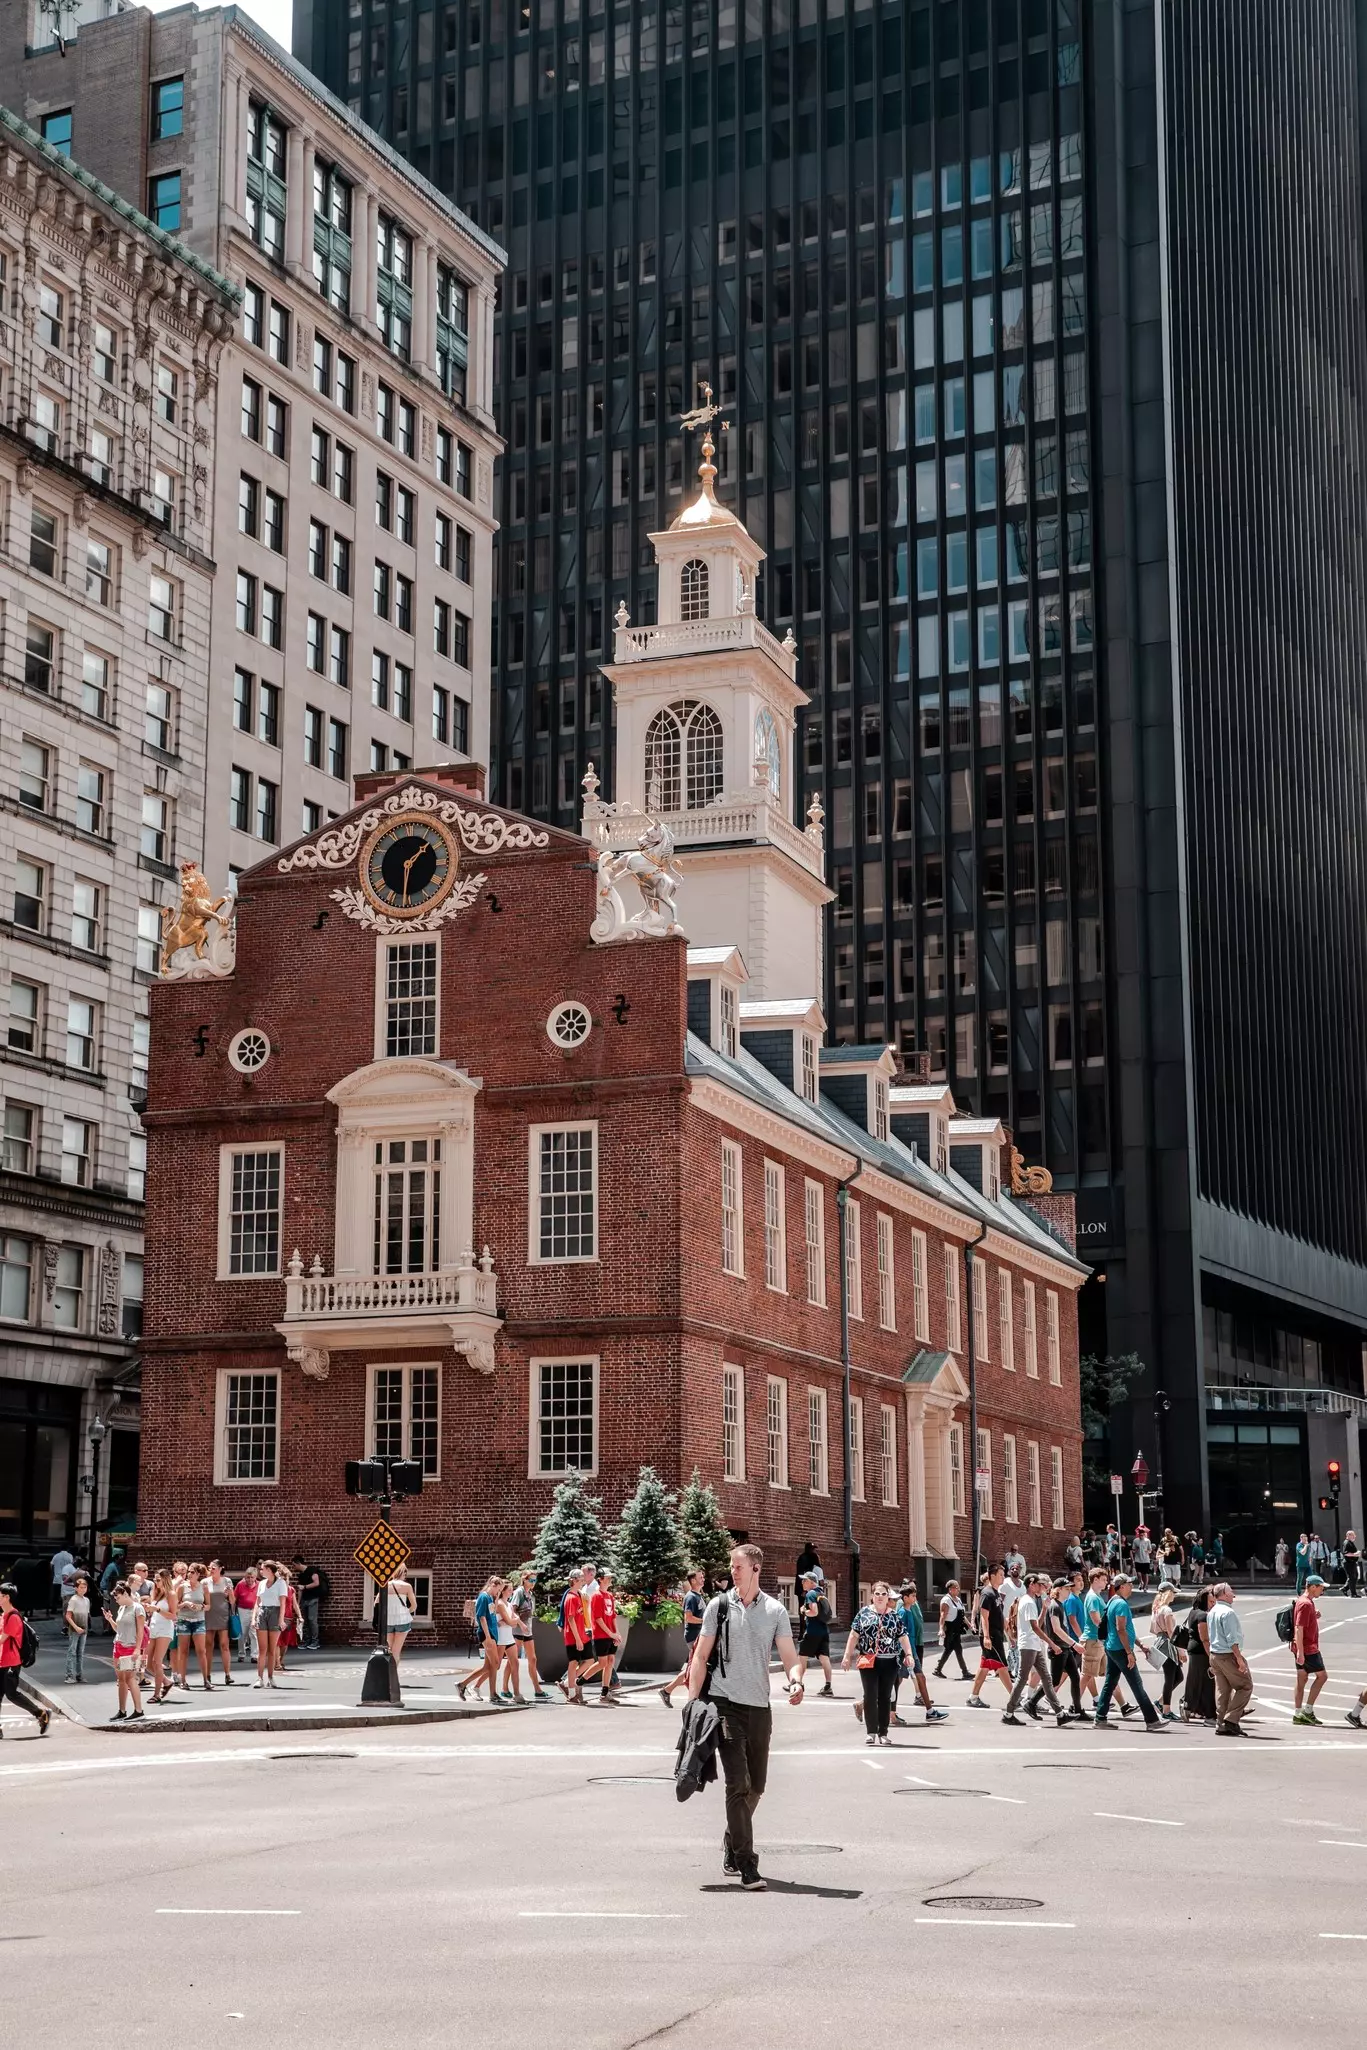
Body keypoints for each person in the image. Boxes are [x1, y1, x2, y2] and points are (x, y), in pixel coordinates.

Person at [687, 1542, 803, 1891]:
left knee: (758, 1786)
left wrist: (795, 1680)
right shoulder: (718, 1606)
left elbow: (789, 1657)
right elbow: (700, 1656)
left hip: (759, 1707)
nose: (732, 1572)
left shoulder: (775, 1611)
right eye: (731, 1567)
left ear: (755, 1569)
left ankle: (731, 1838)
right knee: (737, 1783)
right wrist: (693, 1701)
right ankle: (747, 1864)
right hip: (724, 1704)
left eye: (738, 1566)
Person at [843, 1581, 913, 1744]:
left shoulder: (894, 1615)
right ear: (872, 1596)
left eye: (884, 1594)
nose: (880, 1597)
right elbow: (854, 1635)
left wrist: (908, 1654)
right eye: (877, 1594)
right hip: (868, 1660)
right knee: (870, 1695)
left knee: (885, 1696)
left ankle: (883, 1733)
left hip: (889, 1662)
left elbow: (903, 1637)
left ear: (888, 1597)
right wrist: (847, 1656)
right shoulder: (864, 1613)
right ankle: (871, 1732)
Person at [1094, 1573, 1163, 1730]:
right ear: (1122, 1586)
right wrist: (1129, 1652)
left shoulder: (1112, 1601)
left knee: (1110, 1683)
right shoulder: (1122, 1605)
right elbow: (1121, 1629)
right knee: (1136, 1684)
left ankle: (1100, 1718)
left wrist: (1139, 1645)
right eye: (1130, 1584)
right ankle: (1152, 1720)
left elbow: (1125, 1630)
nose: (1132, 1587)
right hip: (1120, 1649)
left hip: (1112, 1647)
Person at [1003, 1574, 1069, 1727]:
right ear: (1031, 1584)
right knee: (1022, 1679)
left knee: (1046, 1677)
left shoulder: (1030, 1601)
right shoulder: (1027, 1602)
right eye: (1039, 1585)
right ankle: (1008, 1713)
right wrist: (1052, 1644)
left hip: (1033, 1644)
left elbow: (1037, 1624)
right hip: (1028, 1645)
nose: (1042, 1588)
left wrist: (1044, 1609)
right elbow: (1035, 1627)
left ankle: (1059, 1714)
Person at [1027, 1576, 1084, 1719]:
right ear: (1058, 1590)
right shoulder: (1054, 1606)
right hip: (1058, 1649)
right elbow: (1057, 1629)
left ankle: (1077, 1710)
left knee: (1075, 1677)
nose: (1069, 1590)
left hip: (1065, 1648)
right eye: (1066, 1588)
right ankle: (1031, 1703)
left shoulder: (1061, 1604)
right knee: (1054, 1681)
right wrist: (1074, 1644)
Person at [893, 1580, 947, 1724]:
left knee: (918, 1678)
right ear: (905, 1598)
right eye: (913, 1596)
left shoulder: (909, 1610)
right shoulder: (903, 1612)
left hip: (911, 1650)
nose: (915, 1599)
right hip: (906, 1652)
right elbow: (901, 1635)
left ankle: (930, 1711)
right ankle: (872, 1705)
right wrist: (907, 1653)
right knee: (895, 1682)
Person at [0, 1585, 48, 1738]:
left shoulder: (13, 1617)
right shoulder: (4, 1615)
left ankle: (41, 1713)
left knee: (12, 1694)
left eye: (0, 1595)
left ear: (7, 1597)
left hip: (11, 1662)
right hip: (2, 1661)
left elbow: (2, 1639)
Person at [1206, 1582, 1253, 1735]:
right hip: (1227, 1655)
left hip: (1215, 1655)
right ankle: (1231, 1720)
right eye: (1231, 1592)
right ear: (1225, 1595)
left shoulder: (1212, 1611)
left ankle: (1221, 1724)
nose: (1234, 1595)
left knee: (1222, 1690)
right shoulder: (1228, 1612)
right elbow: (1232, 1639)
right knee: (1245, 1686)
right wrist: (1239, 1659)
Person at [966, 1565, 1012, 1707]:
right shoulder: (987, 1593)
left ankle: (973, 1697)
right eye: (1000, 1574)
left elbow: (999, 1615)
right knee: (1002, 1666)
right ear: (992, 1576)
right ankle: (1015, 1698)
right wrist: (986, 1636)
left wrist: (1008, 1633)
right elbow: (984, 1617)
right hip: (991, 1636)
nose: (1003, 1577)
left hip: (997, 1634)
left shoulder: (996, 1593)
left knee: (985, 1666)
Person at [662, 1568, 708, 1706]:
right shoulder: (691, 1597)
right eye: (700, 1577)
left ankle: (667, 1690)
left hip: (699, 1636)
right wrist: (706, 1621)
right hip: (693, 1636)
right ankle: (695, 1696)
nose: (703, 1579)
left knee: (694, 1666)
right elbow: (688, 1618)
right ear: (693, 1580)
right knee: (696, 1666)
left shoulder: (698, 1596)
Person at [459, 1574, 505, 1702]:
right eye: (498, 1589)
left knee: (489, 1666)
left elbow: (493, 1611)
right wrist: (488, 1636)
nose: (499, 1592)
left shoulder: (490, 1597)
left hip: (492, 1633)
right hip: (487, 1634)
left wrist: (496, 1598)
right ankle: (493, 1693)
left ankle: (462, 1684)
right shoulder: (483, 1597)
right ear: (492, 1585)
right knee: (495, 1664)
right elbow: (481, 1617)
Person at [1292, 1574, 1328, 1725]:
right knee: (1322, 1677)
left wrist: (1314, 1615)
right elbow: (1299, 1628)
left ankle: (1298, 1714)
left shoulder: (1304, 1602)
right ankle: (1308, 1711)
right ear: (1313, 1587)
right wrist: (1301, 1652)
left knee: (1302, 1679)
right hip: (1308, 1648)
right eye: (1321, 1588)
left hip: (1300, 1647)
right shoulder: (1306, 1604)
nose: (1322, 1591)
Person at [173, 1562, 214, 1693]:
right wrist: (185, 1603)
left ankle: (206, 1680)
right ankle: (183, 1680)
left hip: (199, 1621)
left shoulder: (204, 1587)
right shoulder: (182, 1587)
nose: (188, 1574)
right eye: (188, 1572)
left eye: (191, 1572)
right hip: (184, 1620)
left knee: (201, 1651)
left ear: (197, 1574)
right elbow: (175, 1605)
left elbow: (208, 1606)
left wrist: (200, 1607)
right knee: (183, 1651)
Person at [108, 1580, 145, 1721]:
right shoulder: (122, 1608)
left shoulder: (137, 1608)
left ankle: (139, 1710)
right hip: (118, 1645)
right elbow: (118, 1629)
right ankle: (122, 1710)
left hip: (131, 1647)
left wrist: (137, 1649)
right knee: (121, 1679)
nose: (116, 1600)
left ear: (125, 1593)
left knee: (130, 1679)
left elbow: (140, 1631)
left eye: (117, 1597)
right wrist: (111, 1620)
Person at [794, 1568, 835, 1696]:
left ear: (811, 1582)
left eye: (804, 1580)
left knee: (802, 1657)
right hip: (823, 1631)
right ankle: (828, 1686)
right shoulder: (821, 1593)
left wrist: (803, 1611)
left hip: (812, 1631)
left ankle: (798, 1683)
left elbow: (814, 1612)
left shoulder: (810, 1594)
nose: (802, 1583)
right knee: (824, 1658)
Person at [510, 1568, 548, 1699]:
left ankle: (537, 1690)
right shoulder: (519, 1593)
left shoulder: (529, 1594)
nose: (533, 1582)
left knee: (533, 1659)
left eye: (534, 1580)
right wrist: (521, 1623)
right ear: (524, 1580)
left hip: (527, 1630)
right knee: (513, 1660)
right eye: (531, 1580)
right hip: (518, 1630)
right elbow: (512, 1610)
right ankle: (505, 1687)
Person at [1182, 1585, 1216, 1724]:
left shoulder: (1193, 1612)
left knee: (1197, 1681)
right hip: (1200, 1651)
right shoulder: (1203, 1615)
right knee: (1206, 1683)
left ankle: (1194, 1708)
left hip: (1194, 1650)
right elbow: (1204, 1639)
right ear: (1204, 1601)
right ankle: (1203, 1712)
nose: (1213, 1605)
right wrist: (1211, 1655)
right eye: (1211, 1602)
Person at [1149, 1584, 1183, 1721]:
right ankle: (1166, 1710)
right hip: (1168, 1644)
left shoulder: (1156, 1609)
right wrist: (1181, 1651)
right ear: (1168, 1593)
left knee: (1177, 1676)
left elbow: (1152, 1629)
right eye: (1173, 1592)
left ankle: (1160, 1702)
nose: (1175, 1595)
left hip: (1159, 1641)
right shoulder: (1167, 1610)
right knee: (1170, 1678)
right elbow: (1171, 1632)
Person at [556, 1568, 591, 1704]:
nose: (583, 1581)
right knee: (573, 1663)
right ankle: (571, 1694)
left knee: (589, 1660)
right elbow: (570, 1619)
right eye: (581, 1579)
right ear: (575, 1580)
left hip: (582, 1634)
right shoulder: (570, 1597)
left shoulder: (578, 1595)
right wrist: (577, 1639)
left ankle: (566, 1682)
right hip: (573, 1636)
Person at [144, 1569, 178, 1702]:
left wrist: (157, 1609)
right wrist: (148, 1608)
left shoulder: (171, 1594)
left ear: (165, 1579)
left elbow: (173, 1615)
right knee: (147, 1662)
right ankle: (166, 1682)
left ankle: (156, 1694)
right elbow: (154, 1611)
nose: (156, 1582)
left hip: (165, 1629)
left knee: (157, 1662)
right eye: (155, 1580)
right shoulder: (156, 1594)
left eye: (158, 1580)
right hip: (154, 1628)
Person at [588, 1568, 621, 1706]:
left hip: (610, 1634)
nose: (609, 1580)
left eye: (610, 1578)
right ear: (600, 1579)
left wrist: (616, 1633)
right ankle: (578, 1682)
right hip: (601, 1635)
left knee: (610, 1661)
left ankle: (605, 1692)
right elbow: (598, 1619)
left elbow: (612, 1616)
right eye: (607, 1578)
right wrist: (610, 1633)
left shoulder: (610, 1596)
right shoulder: (597, 1596)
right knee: (602, 1663)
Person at [254, 1559, 288, 1689]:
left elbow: (283, 1602)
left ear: (269, 1570)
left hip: (275, 1611)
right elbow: (257, 1602)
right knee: (262, 1649)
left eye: (263, 1569)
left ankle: (271, 1677)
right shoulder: (262, 1583)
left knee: (272, 1649)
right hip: (263, 1612)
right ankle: (259, 1678)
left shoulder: (281, 1583)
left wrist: (281, 1619)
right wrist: (254, 1617)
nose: (261, 1571)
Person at [204, 1561, 236, 1686]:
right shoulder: (205, 1582)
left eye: (214, 1567)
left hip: (223, 1615)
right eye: (210, 1568)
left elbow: (232, 1601)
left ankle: (227, 1675)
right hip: (208, 1616)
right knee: (208, 1645)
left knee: (224, 1645)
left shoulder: (227, 1581)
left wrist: (230, 1593)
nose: (211, 1569)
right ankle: (207, 1674)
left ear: (220, 1568)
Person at [934, 1581, 972, 1679]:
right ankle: (965, 1672)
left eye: (958, 1587)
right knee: (957, 1649)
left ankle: (938, 1669)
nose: (958, 1589)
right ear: (950, 1589)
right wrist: (941, 1629)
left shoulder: (958, 1600)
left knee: (949, 1649)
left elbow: (962, 1615)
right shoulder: (946, 1600)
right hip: (950, 1628)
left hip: (957, 1628)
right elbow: (943, 1616)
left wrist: (969, 1625)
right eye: (956, 1588)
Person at [64, 1573, 90, 1684]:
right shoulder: (73, 1600)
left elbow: (87, 1614)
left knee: (80, 1652)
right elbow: (68, 1615)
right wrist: (76, 1627)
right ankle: (69, 1675)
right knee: (72, 1652)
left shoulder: (87, 1600)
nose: (83, 1590)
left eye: (85, 1587)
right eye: (81, 1588)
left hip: (84, 1629)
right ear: (76, 1588)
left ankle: (79, 1675)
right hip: (75, 1629)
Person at [292, 1556, 323, 1650]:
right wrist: (298, 1602)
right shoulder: (301, 1575)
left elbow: (316, 1583)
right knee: (305, 1621)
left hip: (313, 1598)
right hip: (304, 1600)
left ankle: (315, 1641)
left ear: (298, 1563)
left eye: (294, 1565)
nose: (294, 1567)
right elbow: (300, 1589)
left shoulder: (311, 1570)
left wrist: (305, 1587)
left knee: (312, 1620)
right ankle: (306, 1640)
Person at [385, 1574, 416, 1666]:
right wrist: (406, 1612)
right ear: (404, 1573)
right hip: (402, 1620)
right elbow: (414, 1606)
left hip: (388, 1620)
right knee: (396, 1650)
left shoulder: (385, 1585)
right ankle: (393, 1675)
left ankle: (389, 1674)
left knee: (391, 1648)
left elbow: (376, 1603)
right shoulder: (407, 1586)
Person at [234, 1565, 260, 1668]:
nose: (249, 1580)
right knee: (242, 1633)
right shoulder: (240, 1585)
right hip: (242, 1610)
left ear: (255, 1577)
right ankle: (241, 1654)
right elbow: (235, 1598)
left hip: (255, 1610)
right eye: (247, 1577)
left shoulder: (260, 1585)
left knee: (254, 1633)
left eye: (252, 1577)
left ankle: (254, 1655)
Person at [48, 1545, 73, 1618]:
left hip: (57, 1578)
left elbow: (51, 1565)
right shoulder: (70, 1556)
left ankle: (54, 1609)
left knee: (55, 1595)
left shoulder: (56, 1556)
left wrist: (53, 1573)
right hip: (66, 1579)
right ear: (67, 1549)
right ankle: (65, 1609)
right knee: (66, 1595)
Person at [1343, 1531, 1361, 1598]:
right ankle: (1353, 1593)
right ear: (1349, 1535)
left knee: (1355, 1576)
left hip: (1352, 1562)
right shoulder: (1346, 1542)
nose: (1355, 1536)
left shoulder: (1350, 1543)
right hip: (1348, 1563)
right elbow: (1346, 1553)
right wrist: (1355, 1554)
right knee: (1352, 1577)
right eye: (1353, 1535)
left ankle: (1345, 1588)